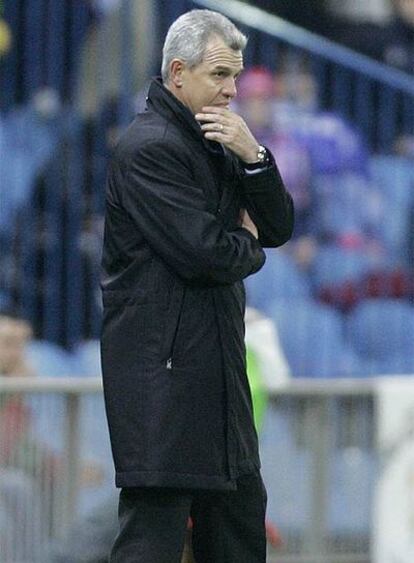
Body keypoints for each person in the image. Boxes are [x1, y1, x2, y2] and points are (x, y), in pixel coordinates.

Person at [100, 9, 294, 563]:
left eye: (235, 77)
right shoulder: (150, 147)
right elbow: (206, 254)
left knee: (237, 531)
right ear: (178, 72)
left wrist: (254, 158)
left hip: (217, 376)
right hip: (163, 384)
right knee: (152, 539)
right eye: (219, 76)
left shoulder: (220, 140)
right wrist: (246, 244)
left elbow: (278, 227)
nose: (232, 90)